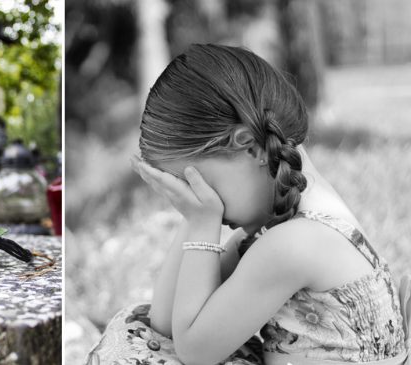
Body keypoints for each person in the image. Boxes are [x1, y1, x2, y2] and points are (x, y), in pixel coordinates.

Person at [85, 44, 411, 365]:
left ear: (251, 148)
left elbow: (194, 351)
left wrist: (201, 224)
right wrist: (195, 216)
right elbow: (164, 324)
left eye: (198, 183)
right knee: (135, 331)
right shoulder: (280, 227)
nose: (200, 199)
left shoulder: (296, 243)